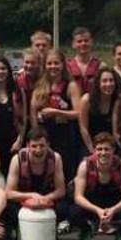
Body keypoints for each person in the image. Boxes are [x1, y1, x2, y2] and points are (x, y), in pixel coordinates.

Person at [71, 133, 121, 240]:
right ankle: (86, 230)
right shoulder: (84, 166)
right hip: (94, 204)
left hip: (115, 204)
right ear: (94, 150)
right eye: (99, 149)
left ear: (113, 150)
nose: (103, 153)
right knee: (72, 211)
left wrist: (113, 210)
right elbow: (78, 197)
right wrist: (97, 210)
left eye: (107, 149)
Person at [31, 49, 83, 178]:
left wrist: (57, 112)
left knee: (65, 170)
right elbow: (32, 111)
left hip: (65, 135)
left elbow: (78, 113)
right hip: (45, 134)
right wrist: (36, 133)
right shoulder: (40, 85)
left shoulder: (71, 86)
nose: (53, 66)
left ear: (63, 65)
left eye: (56, 63)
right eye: (49, 63)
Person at [4, 128, 68, 232]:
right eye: (34, 146)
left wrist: (43, 199)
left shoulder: (56, 158)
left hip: (47, 198)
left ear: (48, 145)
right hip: (23, 200)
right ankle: (19, 231)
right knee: (7, 208)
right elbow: (9, 193)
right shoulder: (17, 160)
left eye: (42, 146)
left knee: (63, 207)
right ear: (28, 146)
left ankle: (49, 231)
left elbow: (61, 190)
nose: (38, 150)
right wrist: (31, 196)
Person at [78, 67, 119, 155]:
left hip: (111, 146)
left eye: (111, 80)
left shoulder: (117, 101)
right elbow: (83, 128)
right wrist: (92, 150)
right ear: (98, 83)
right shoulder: (86, 100)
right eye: (104, 81)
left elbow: (116, 132)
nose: (108, 84)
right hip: (90, 144)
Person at [65, 27, 103, 94]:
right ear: (73, 44)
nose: (83, 44)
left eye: (86, 41)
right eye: (79, 41)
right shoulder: (66, 66)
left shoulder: (100, 66)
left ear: (91, 42)